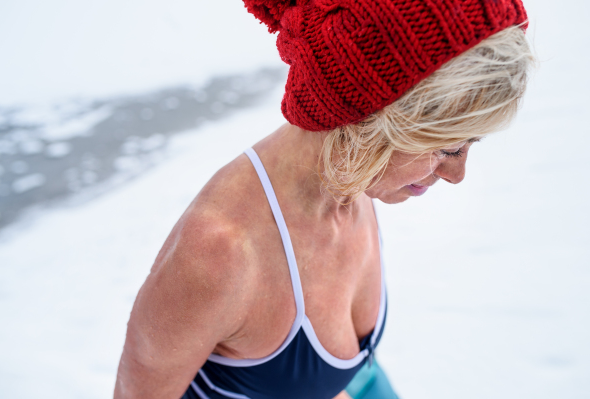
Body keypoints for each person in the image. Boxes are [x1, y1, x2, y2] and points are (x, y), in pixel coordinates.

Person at [114, 0, 535, 398]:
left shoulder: (356, 179)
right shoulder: (218, 254)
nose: (457, 175)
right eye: (446, 148)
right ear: (372, 117)